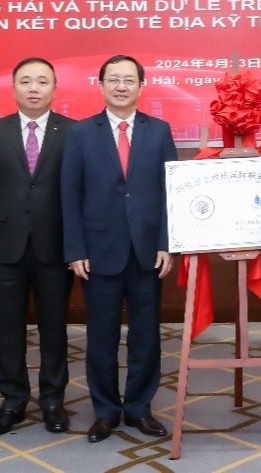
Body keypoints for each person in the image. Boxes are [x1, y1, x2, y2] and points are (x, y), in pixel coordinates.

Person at [61, 55, 178, 443]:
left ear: (142, 86)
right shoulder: (80, 133)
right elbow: (70, 195)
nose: (121, 86)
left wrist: (166, 243)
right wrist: (75, 249)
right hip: (98, 251)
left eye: (129, 80)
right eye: (114, 79)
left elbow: (170, 192)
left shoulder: (159, 131)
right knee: (101, 337)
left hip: (147, 252)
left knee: (146, 335)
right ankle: (106, 411)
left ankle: (140, 408)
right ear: (101, 85)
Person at [0, 57, 75, 435]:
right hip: (5, 248)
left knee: (54, 329)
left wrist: (77, 246)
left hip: (55, 247)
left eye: (42, 81)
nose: (34, 88)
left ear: (54, 88)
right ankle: (13, 399)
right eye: (26, 81)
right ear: (13, 88)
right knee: (8, 329)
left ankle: (53, 400)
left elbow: (78, 194)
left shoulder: (73, 131)